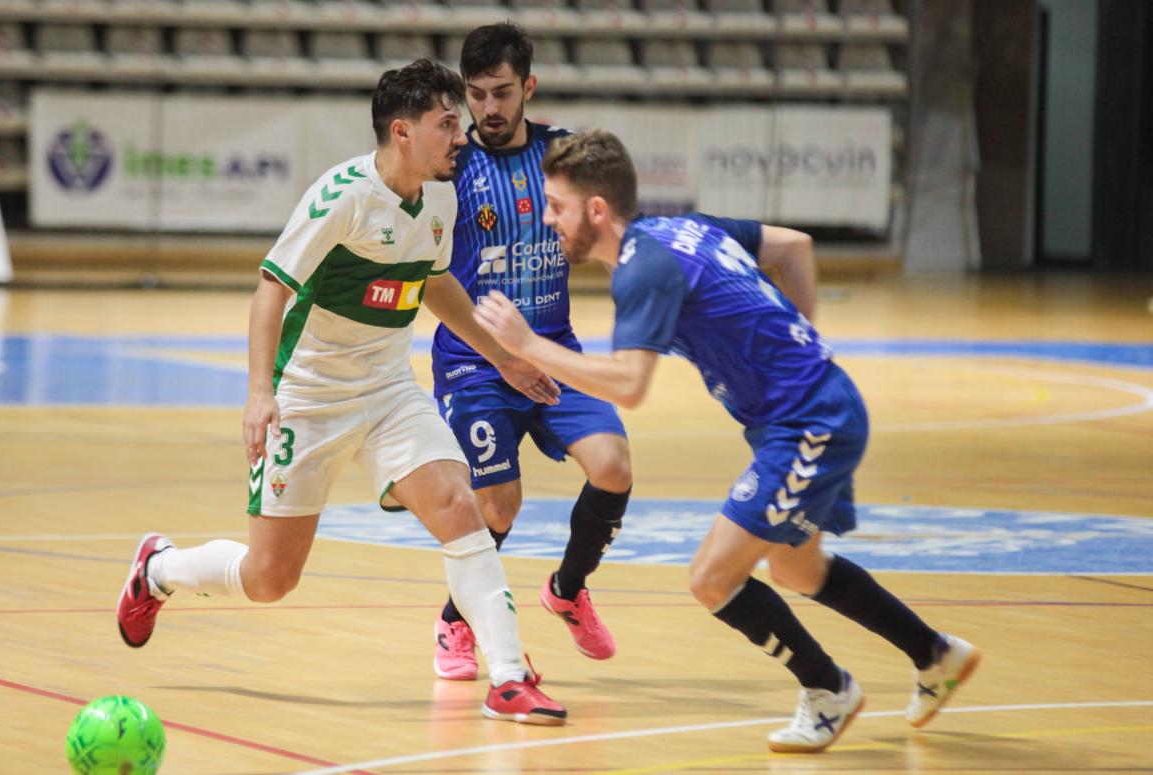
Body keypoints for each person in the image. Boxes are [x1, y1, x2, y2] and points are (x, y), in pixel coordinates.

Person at [472, 129, 980, 752]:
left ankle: (827, 690)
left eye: (556, 205)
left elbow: (629, 385)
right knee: (797, 567)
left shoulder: (644, 269)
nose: (547, 219)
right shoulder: (683, 230)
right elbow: (795, 247)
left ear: (596, 210)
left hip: (808, 423)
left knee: (713, 578)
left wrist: (527, 347)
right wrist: (799, 343)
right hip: (811, 410)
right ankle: (935, 655)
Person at [116, 60, 567, 727]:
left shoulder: (441, 195)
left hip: (387, 388)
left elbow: (436, 282)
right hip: (309, 395)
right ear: (401, 131)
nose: (460, 135)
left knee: (457, 505)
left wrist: (502, 358)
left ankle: (505, 676)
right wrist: (259, 392)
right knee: (271, 577)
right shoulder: (342, 197)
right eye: (446, 123)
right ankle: (159, 568)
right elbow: (271, 287)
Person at [429, 22, 632, 681]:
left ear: (529, 89)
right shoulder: (449, 164)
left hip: (552, 348)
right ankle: (454, 623)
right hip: (474, 359)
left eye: (503, 93)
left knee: (613, 464)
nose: (488, 109)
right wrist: (500, 355)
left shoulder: (561, 155)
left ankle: (567, 589)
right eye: (477, 94)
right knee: (499, 505)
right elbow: (428, 276)